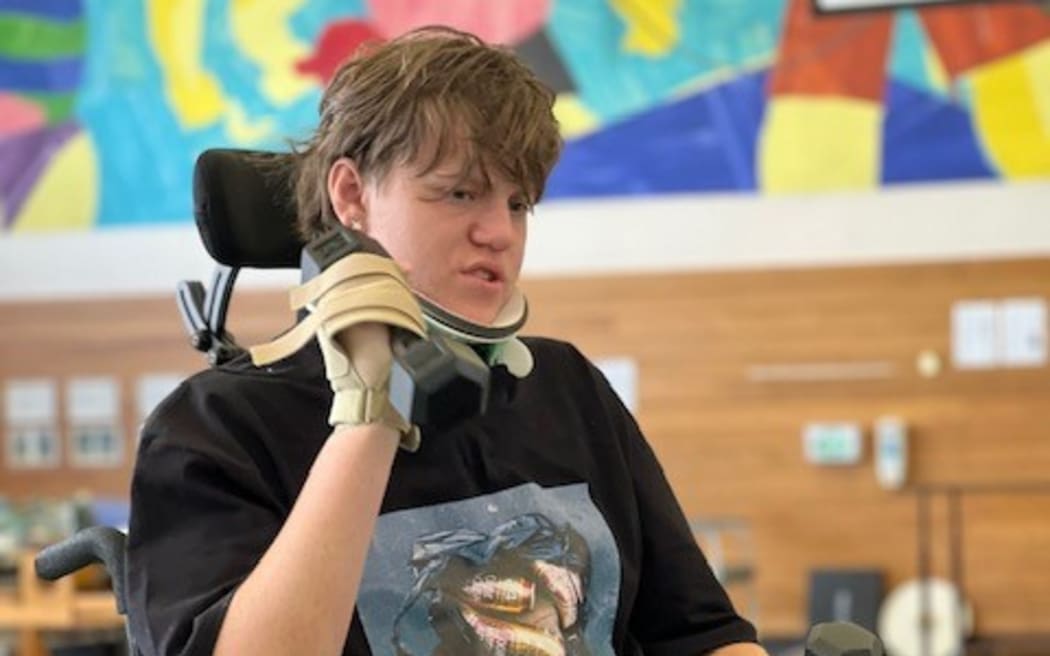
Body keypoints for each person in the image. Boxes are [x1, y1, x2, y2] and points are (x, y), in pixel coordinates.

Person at [127, 26, 767, 656]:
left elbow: (699, 637)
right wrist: (371, 413)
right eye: (460, 193)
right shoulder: (218, 428)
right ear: (352, 194)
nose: (499, 233)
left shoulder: (564, 385)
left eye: (518, 204)